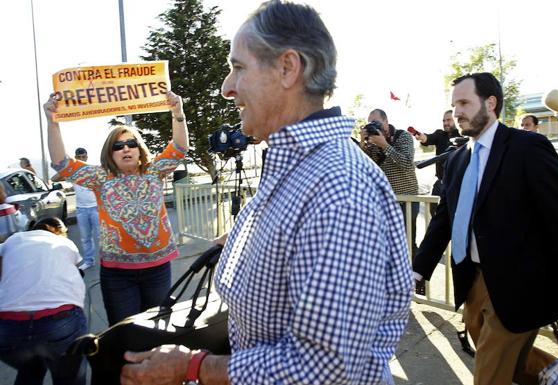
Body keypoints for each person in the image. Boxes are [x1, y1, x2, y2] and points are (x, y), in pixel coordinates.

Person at [120, 1, 413, 384]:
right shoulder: (300, 166)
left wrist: (192, 367)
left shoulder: (339, 189)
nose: (227, 88)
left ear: (288, 68)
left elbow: (326, 369)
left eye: (238, 67)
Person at [413, 72, 558, 385]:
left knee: (488, 374)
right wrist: (417, 270)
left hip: (521, 284)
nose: (456, 111)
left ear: (490, 103)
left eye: (464, 102)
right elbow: (445, 219)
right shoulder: (458, 159)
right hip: (472, 281)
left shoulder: (528, 148)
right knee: (515, 365)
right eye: (453, 104)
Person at [44, 90, 189, 325]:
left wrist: (178, 113)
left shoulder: (155, 170)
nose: (125, 148)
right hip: (118, 275)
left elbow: (180, 148)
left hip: (158, 269)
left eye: (131, 143)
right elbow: (62, 163)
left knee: (157, 330)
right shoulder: (100, 177)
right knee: (125, 334)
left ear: (139, 149)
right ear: (110, 153)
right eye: (118, 145)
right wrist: (52, 123)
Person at [0, 217, 87, 385]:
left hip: (8, 328)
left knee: (31, 368)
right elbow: (79, 272)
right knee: (69, 375)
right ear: (60, 231)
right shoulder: (64, 243)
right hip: (59, 324)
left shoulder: (14, 239)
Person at [361, 108, 420, 255]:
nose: (374, 126)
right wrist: (363, 143)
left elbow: (406, 163)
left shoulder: (403, 137)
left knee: (408, 243)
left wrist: (385, 145)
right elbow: (363, 167)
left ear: (386, 122)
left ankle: (415, 275)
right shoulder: (372, 143)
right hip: (385, 202)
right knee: (387, 245)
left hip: (407, 200)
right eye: (371, 123)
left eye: (376, 122)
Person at [52, 148, 100, 269]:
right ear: (76, 157)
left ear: (87, 156)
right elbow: (54, 178)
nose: (82, 159)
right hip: (81, 209)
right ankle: (89, 261)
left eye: (84, 156)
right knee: (85, 238)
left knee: (102, 237)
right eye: (79, 157)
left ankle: (108, 262)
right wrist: (69, 167)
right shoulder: (73, 174)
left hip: (96, 208)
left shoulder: (92, 170)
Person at [413, 109, 461, 212]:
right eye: (444, 120)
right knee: (434, 212)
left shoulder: (463, 136)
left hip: (458, 183)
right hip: (441, 182)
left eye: (448, 120)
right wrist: (422, 137)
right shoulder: (440, 134)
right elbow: (428, 138)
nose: (445, 123)